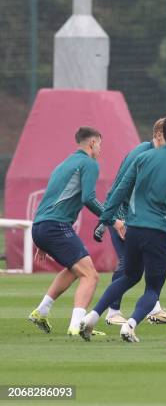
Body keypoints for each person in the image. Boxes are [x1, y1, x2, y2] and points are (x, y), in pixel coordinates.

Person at [79, 115, 166, 342]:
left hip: (133, 229)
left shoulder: (143, 158)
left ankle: (92, 316)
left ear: (162, 134)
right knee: (153, 288)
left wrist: (105, 220)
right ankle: (131, 324)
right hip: (160, 233)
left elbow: (119, 191)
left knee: (128, 276)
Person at [28, 126, 123, 336]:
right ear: (92, 143)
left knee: (75, 269)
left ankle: (41, 311)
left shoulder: (65, 164)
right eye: (100, 144)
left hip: (42, 225)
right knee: (91, 276)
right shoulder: (88, 163)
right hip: (56, 226)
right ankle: (76, 326)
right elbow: (88, 198)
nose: (100, 149)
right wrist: (113, 221)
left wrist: (41, 239)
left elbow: (49, 198)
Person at [96, 117, 166, 326]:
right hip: (124, 217)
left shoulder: (158, 156)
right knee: (128, 264)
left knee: (148, 264)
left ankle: (154, 308)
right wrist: (115, 220)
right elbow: (119, 188)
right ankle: (113, 312)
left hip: (139, 219)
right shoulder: (141, 153)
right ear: (160, 135)